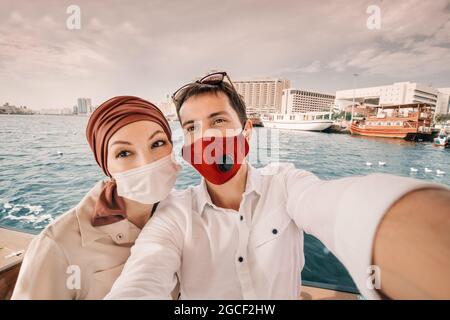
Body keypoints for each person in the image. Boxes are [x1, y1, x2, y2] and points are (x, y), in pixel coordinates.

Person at [105, 72, 450, 300]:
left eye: (219, 120)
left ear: (247, 131)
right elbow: (143, 277)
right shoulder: (175, 213)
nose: (206, 135)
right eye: (191, 127)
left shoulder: (285, 184)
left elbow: (336, 206)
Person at [12, 96, 180, 299]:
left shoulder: (183, 214)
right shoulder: (58, 245)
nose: (146, 162)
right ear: (107, 167)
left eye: (158, 143)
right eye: (124, 153)